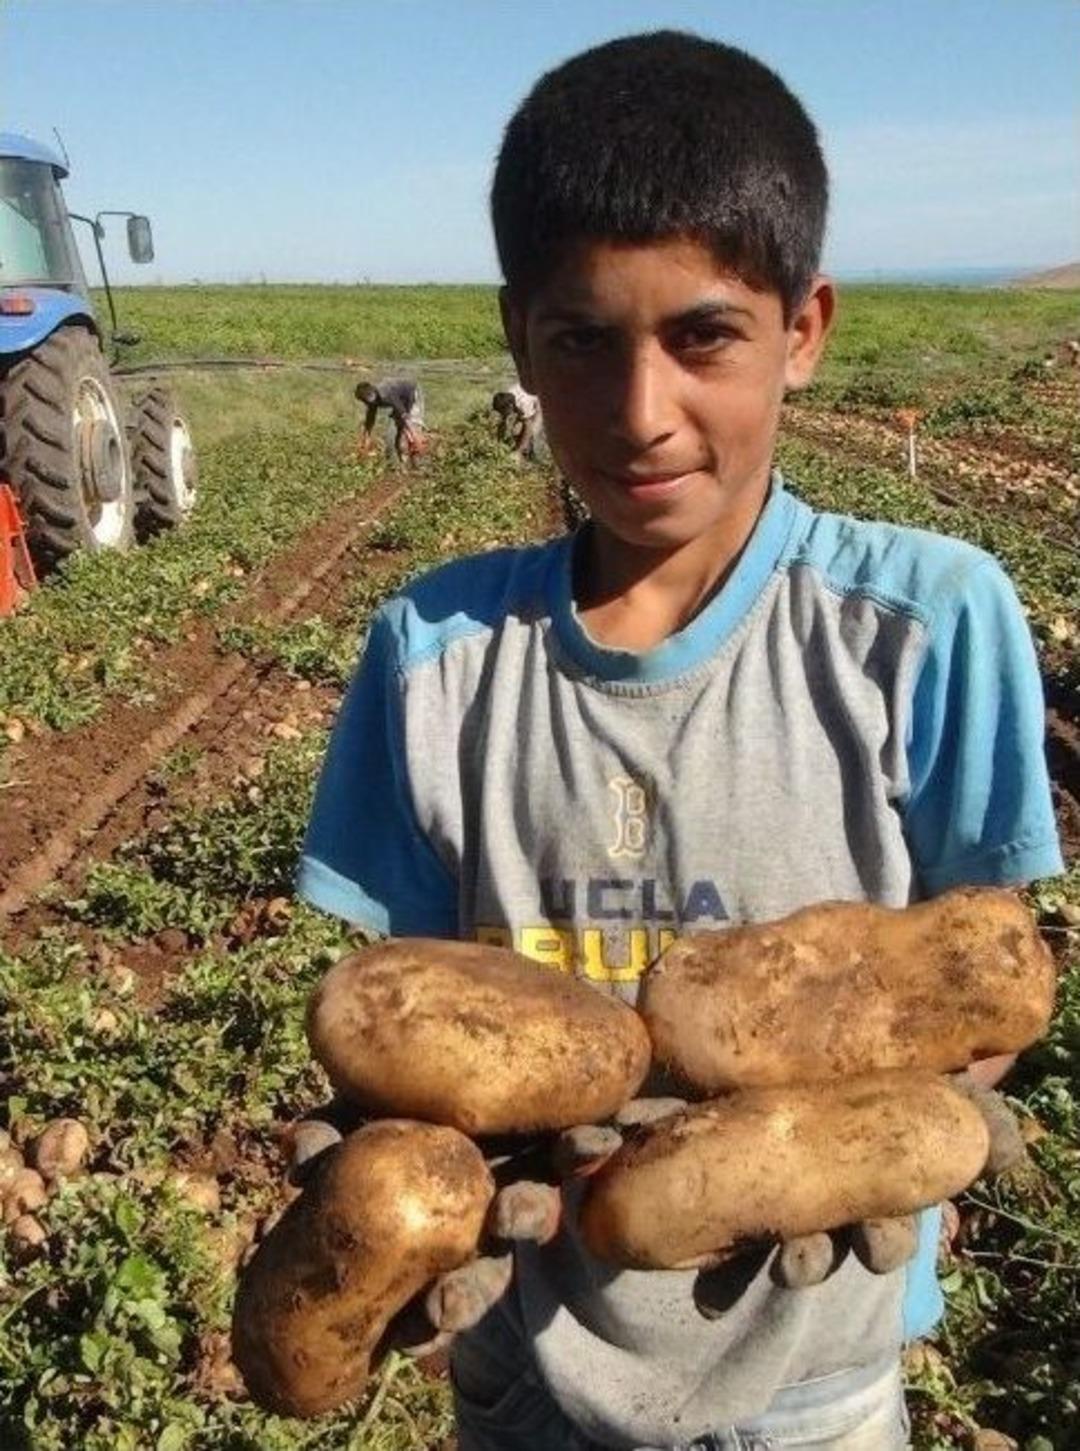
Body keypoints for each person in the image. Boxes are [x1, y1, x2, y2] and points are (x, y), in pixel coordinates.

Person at [299, 31, 1062, 1451]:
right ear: (517, 337)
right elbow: (399, 1006)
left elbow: (984, 982)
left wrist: (871, 1138)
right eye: (584, 340)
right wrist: (405, 1170)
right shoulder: (435, 656)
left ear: (807, 329)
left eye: (702, 334)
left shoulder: (929, 625)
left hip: (818, 1379)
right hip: (532, 1362)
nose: (642, 414)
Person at [355, 376, 426, 466]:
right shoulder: (371, 400)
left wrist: (414, 435)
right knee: (393, 435)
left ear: (371, 394)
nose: (366, 403)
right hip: (400, 401)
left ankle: (419, 462)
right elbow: (370, 419)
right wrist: (367, 437)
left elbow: (404, 416)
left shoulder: (385, 394)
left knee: (412, 429)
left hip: (411, 394)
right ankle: (400, 464)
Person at [492, 382, 543, 460]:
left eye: (504, 412)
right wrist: (499, 443)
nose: (503, 414)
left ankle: (532, 456)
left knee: (533, 433)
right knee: (515, 431)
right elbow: (502, 423)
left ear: (510, 407)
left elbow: (528, 427)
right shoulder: (506, 398)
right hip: (526, 399)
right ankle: (521, 449)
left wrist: (518, 452)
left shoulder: (523, 403)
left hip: (540, 403)